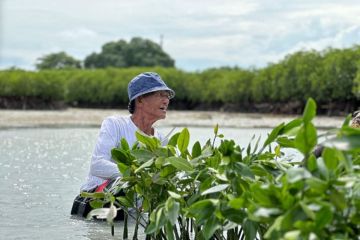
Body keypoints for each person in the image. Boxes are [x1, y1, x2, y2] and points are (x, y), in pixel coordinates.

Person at [71, 72, 175, 218]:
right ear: (140, 99)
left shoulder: (162, 140)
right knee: (122, 188)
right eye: (160, 95)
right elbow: (97, 165)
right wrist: (137, 175)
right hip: (94, 204)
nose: (166, 101)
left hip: (131, 212)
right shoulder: (115, 124)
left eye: (167, 96)